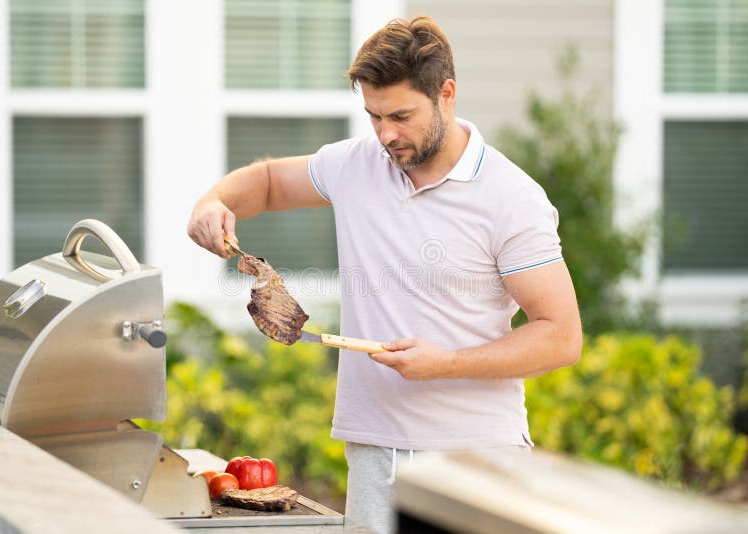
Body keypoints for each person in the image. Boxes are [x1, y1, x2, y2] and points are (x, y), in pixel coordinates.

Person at [188, 16, 582, 534]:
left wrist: (445, 363)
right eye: (374, 116)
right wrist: (213, 201)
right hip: (374, 451)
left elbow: (561, 336)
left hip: (475, 458)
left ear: (446, 94)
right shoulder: (356, 164)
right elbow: (264, 182)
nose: (386, 134)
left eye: (400, 115)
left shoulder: (511, 198)